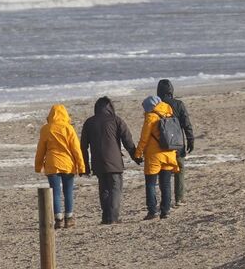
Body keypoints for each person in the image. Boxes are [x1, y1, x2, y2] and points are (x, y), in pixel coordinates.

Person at [80, 97, 138, 225]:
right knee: (115, 189)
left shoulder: (89, 122)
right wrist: (136, 156)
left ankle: (106, 217)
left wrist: (85, 166)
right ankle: (113, 217)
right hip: (114, 162)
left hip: (97, 162)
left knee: (104, 189)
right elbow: (128, 141)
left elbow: (83, 146)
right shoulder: (116, 120)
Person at [35, 104, 86, 229]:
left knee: (55, 192)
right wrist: (81, 167)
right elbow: (76, 149)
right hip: (68, 164)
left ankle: (58, 219)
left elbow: (40, 149)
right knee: (68, 191)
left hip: (52, 164)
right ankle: (69, 218)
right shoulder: (68, 128)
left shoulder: (46, 129)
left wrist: (38, 165)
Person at [135, 96, 180, 220]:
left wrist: (138, 154)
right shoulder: (169, 113)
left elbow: (144, 138)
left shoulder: (151, 117)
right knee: (165, 184)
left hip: (154, 156)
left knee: (150, 184)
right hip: (169, 153)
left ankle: (152, 211)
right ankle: (165, 211)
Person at [157, 79, 195, 207]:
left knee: (164, 172)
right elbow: (186, 124)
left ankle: (165, 200)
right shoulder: (179, 104)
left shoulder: (156, 106)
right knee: (180, 169)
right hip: (177, 144)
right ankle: (179, 198)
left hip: (162, 145)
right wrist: (190, 139)